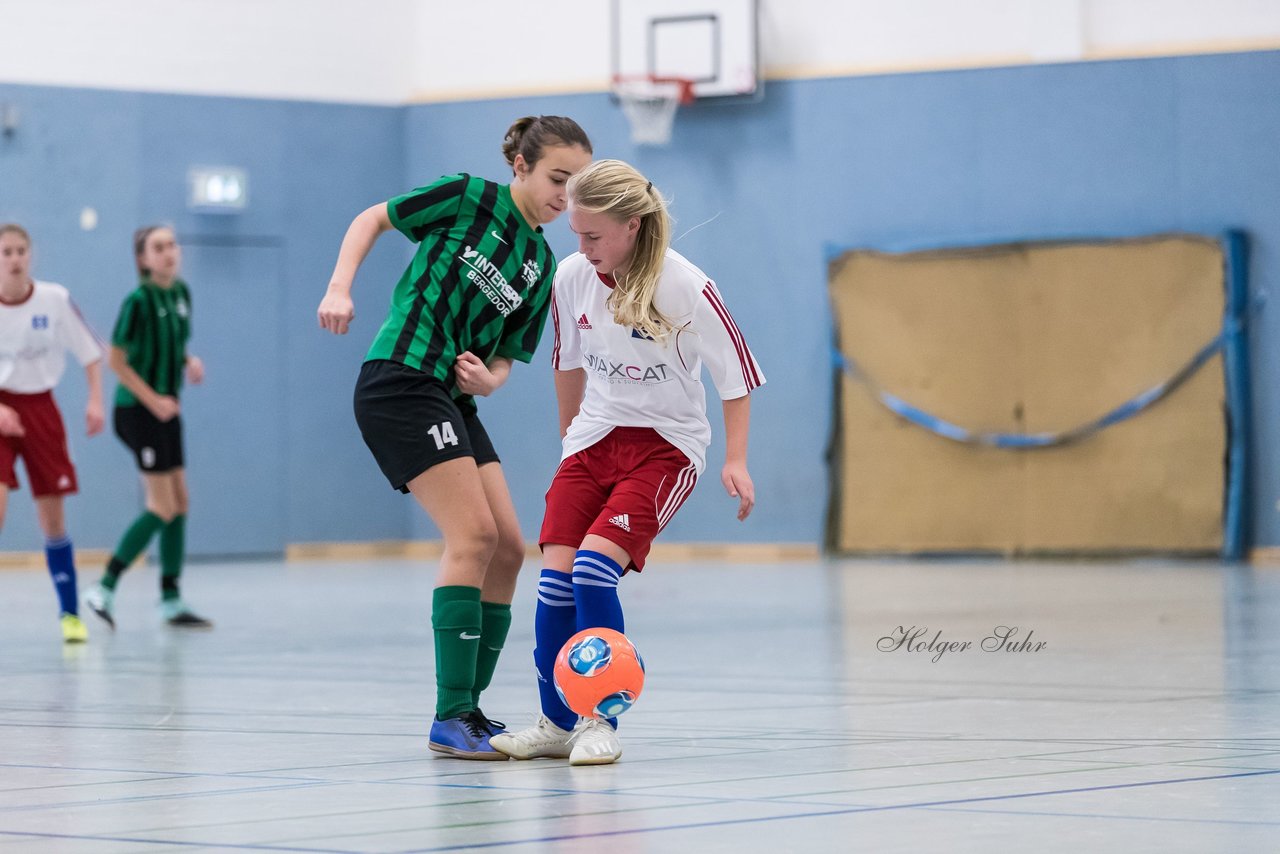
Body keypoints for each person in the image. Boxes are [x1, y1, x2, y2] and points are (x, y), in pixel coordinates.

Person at [317, 116, 592, 759]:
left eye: (578, 185)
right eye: (557, 178)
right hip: (401, 381)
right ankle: (450, 715)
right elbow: (372, 218)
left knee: (510, 550)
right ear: (521, 165)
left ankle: (468, 711)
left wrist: (490, 380)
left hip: (455, 397)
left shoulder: (542, 263)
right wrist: (339, 286)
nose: (566, 195)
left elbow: (504, 358)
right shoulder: (468, 196)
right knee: (473, 537)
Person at [491, 160, 765, 766]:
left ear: (633, 227)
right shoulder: (570, 277)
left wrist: (736, 459)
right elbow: (566, 362)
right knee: (554, 581)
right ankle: (556, 722)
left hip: (664, 448)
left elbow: (737, 376)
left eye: (593, 236)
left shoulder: (685, 285)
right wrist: (571, 444)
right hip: (593, 441)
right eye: (576, 236)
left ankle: (600, 721)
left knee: (593, 571)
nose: (582, 248)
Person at [84, 226, 211, 629]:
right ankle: (103, 587)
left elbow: (173, 344)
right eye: (159, 247)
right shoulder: (137, 301)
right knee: (162, 505)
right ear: (143, 259)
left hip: (167, 412)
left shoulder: (181, 295)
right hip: (138, 412)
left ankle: (171, 600)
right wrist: (152, 399)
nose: (169, 252)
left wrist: (188, 361)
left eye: (173, 244)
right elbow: (117, 361)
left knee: (181, 504)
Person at [0, 224, 105, 643]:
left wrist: (95, 400)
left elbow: (90, 352)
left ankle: (69, 614)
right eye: (6, 252)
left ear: (32, 255)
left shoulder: (54, 300)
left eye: (21, 250)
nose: (14, 259)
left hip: (41, 408)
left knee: (53, 518)